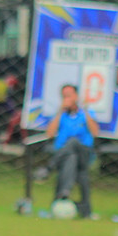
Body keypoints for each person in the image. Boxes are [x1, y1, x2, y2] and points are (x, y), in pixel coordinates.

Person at [45, 84, 99, 219]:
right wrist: (59, 112)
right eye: (64, 96)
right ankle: (82, 207)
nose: (67, 98)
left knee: (73, 142)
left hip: (85, 153)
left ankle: (49, 168)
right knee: (71, 157)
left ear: (76, 96)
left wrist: (85, 110)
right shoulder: (61, 115)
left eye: (69, 95)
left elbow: (95, 132)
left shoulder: (86, 113)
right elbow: (50, 134)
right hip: (64, 155)